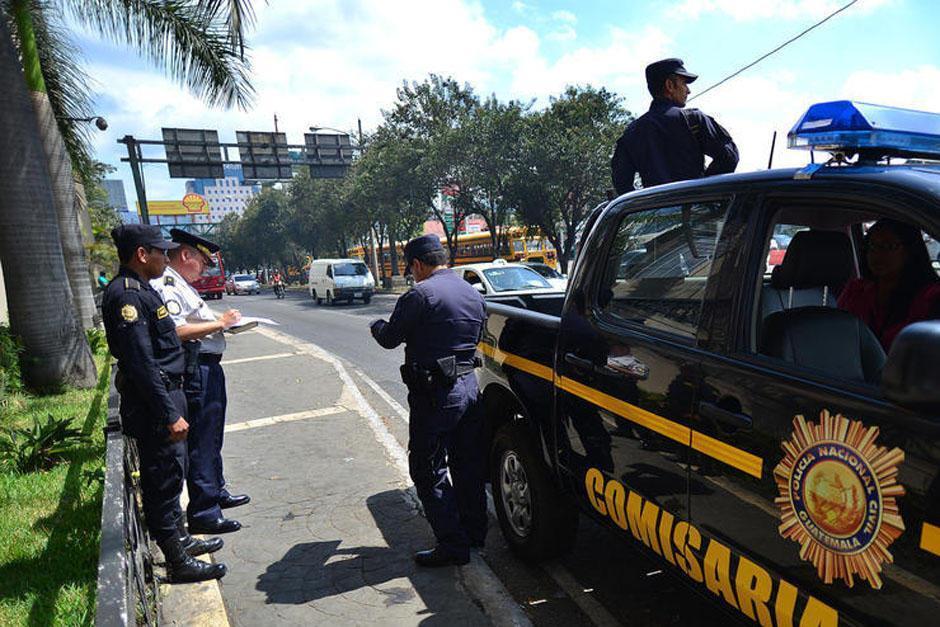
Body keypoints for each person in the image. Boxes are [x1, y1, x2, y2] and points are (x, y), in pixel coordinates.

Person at [102, 224, 226, 583]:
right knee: (163, 480)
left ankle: (181, 540)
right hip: (156, 405)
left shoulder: (141, 290)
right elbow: (141, 364)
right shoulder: (126, 297)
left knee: (172, 475)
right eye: (160, 252)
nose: (165, 258)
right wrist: (169, 413)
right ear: (142, 255)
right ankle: (176, 560)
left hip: (168, 393)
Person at [368, 234, 487, 567]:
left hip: (435, 398)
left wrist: (376, 325)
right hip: (469, 390)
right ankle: (475, 533)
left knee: (427, 468)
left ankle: (452, 544)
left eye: (411, 269)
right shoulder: (472, 293)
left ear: (417, 265)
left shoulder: (420, 295)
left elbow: (390, 338)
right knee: (467, 465)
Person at [152, 228, 250, 536]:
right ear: (186, 256)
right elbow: (176, 330)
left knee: (213, 435)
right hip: (196, 370)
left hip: (208, 367)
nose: (205, 270)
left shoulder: (182, 285)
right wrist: (221, 323)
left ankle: (215, 489)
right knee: (202, 440)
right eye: (203, 263)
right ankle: (205, 512)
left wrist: (223, 323)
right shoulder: (167, 284)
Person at [611, 58, 739, 194]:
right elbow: (730, 156)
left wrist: (648, 205)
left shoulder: (631, 133)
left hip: (656, 213)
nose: (688, 90)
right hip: (699, 211)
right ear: (670, 86)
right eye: (684, 83)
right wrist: (702, 189)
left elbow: (621, 183)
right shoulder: (694, 120)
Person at [838, 219, 940, 351]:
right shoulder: (856, 290)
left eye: (889, 246)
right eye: (873, 245)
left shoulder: (931, 297)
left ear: (910, 251)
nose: (877, 253)